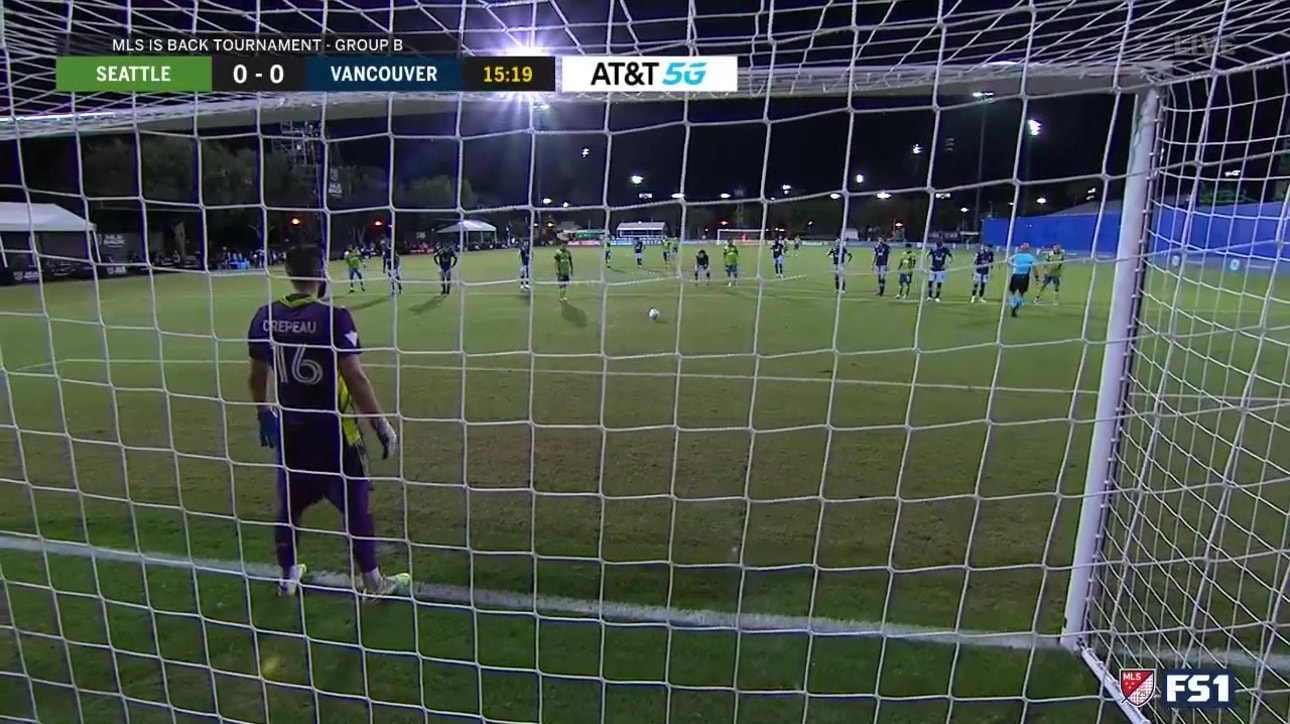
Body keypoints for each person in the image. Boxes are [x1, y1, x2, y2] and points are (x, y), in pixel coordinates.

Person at [246, 244, 410, 599]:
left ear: (288, 272)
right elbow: (354, 376)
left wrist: (262, 413)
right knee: (355, 505)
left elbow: (256, 376)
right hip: (335, 432)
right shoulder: (335, 317)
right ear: (321, 273)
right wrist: (382, 426)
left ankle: (288, 576)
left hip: (290, 431)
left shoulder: (263, 317)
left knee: (289, 506)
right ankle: (373, 582)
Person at [1007, 243, 1039, 317]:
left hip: (1015, 276)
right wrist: (1036, 277)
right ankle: (1017, 306)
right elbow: (1035, 268)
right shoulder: (1030, 257)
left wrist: (1012, 265)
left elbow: (1008, 260)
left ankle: (1013, 304)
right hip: (1024, 277)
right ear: (1028, 249)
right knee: (1021, 293)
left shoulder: (1016, 256)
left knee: (1012, 292)